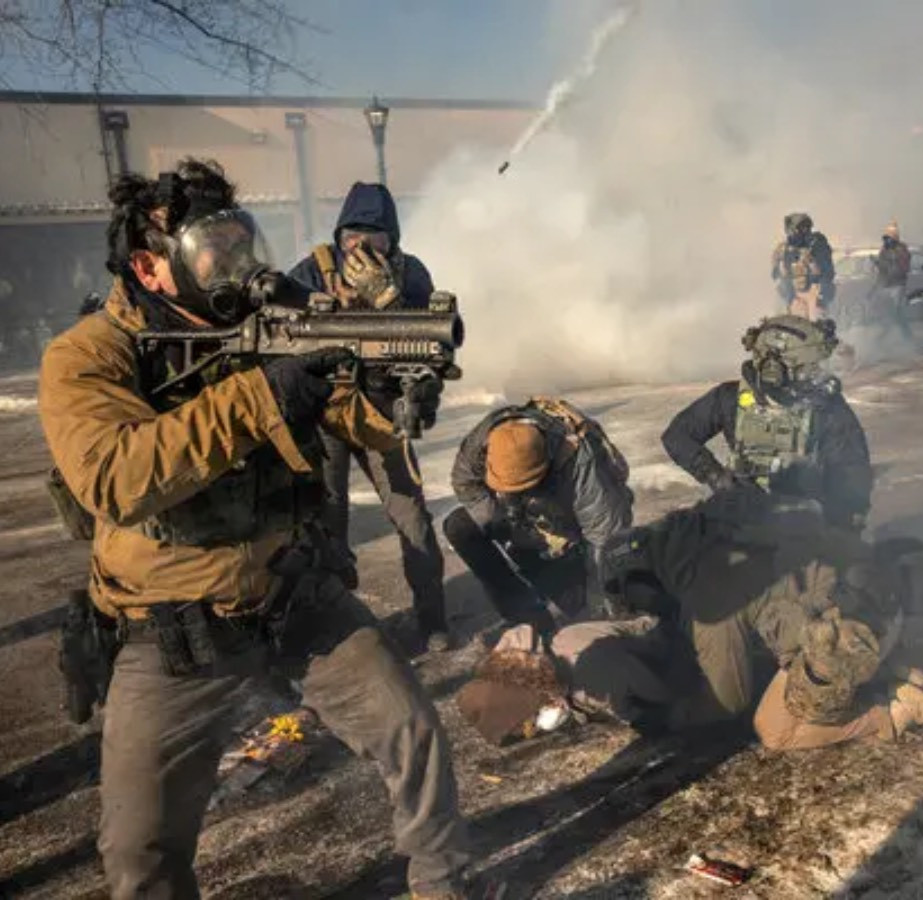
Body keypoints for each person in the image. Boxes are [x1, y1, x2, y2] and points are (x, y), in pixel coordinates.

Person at [38, 159, 472, 899]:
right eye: (215, 249)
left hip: (296, 595)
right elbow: (116, 476)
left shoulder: (273, 317)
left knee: (414, 732)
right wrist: (262, 397)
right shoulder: (87, 356)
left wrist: (382, 383)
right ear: (151, 264)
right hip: (173, 630)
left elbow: (357, 420)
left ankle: (445, 884)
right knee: (139, 849)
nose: (239, 264)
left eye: (244, 241)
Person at [598, 489, 923, 748]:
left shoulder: (707, 600)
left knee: (776, 730)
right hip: (879, 594)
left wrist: (668, 717)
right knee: (788, 639)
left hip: (848, 635)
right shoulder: (709, 527)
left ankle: (895, 709)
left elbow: (729, 700)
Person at [289, 182, 449, 650]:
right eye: (351, 236)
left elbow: (435, 344)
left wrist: (391, 304)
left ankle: (432, 618)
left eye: (373, 237)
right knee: (326, 519)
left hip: (382, 411)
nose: (359, 247)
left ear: (391, 240)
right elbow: (283, 330)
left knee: (412, 517)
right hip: (327, 410)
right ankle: (337, 628)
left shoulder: (410, 272)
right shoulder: (314, 270)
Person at [443, 397, 634, 637]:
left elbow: (605, 536)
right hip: (532, 519)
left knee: (586, 607)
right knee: (460, 526)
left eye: (522, 486)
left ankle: (577, 590)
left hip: (573, 528)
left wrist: (600, 608)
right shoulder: (483, 441)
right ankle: (526, 616)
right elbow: (465, 483)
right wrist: (502, 523)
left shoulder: (579, 461)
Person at [661, 315, 872, 531]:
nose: (816, 375)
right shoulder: (730, 398)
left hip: (801, 522)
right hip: (742, 518)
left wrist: (843, 527)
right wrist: (715, 476)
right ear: (775, 369)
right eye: (807, 368)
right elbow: (677, 436)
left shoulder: (826, 408)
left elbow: (851, 473)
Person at [455, 617, 696, 744]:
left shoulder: (593, 678)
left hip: (684, 649)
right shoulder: (543, 656)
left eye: (530, 721)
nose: (537, 726)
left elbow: (670, 699)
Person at [770, 212, 836, 319]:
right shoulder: (783, 249)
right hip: (794, 295)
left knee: (817, 323)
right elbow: (777, 276)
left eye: (804, 228)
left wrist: (821, 298)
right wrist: (789, 296)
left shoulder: (817, 245)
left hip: (814, 293)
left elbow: (827, 274)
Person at [871, 220, 914, 345]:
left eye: (890, 236)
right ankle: (906, 338)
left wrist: (882, 264)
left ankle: (884, 337)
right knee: (892, 313)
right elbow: (882, 269)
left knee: (896, 313)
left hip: (897, 285)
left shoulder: (901, 249)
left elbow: (900, 268)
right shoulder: (885, 249)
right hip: (886, 285)